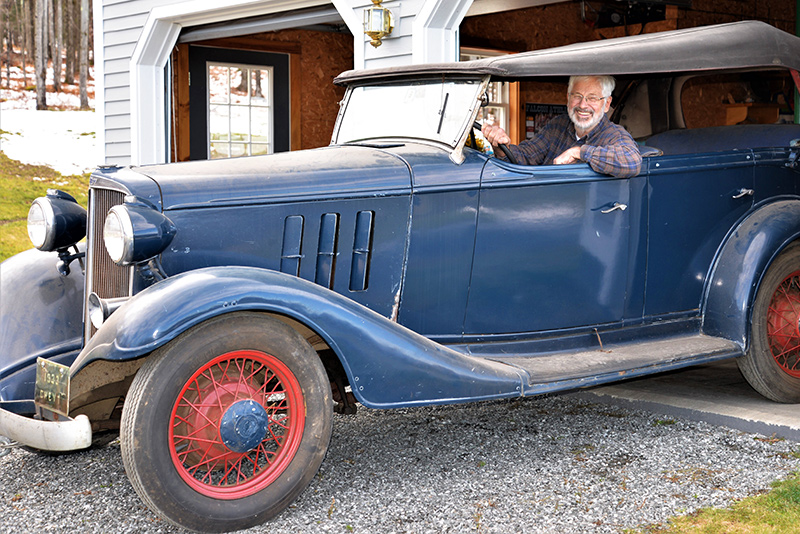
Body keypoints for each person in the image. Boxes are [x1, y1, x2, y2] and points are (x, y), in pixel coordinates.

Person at [481, 75, 642, 178]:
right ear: (568, 98)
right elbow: (526, 156)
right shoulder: (558, 125)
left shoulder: (614, 135)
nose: (582, 105)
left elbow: (632, 162)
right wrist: (502, 147)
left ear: (606, 104)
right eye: (577, 96)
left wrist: (579, 152)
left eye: (592, 98)